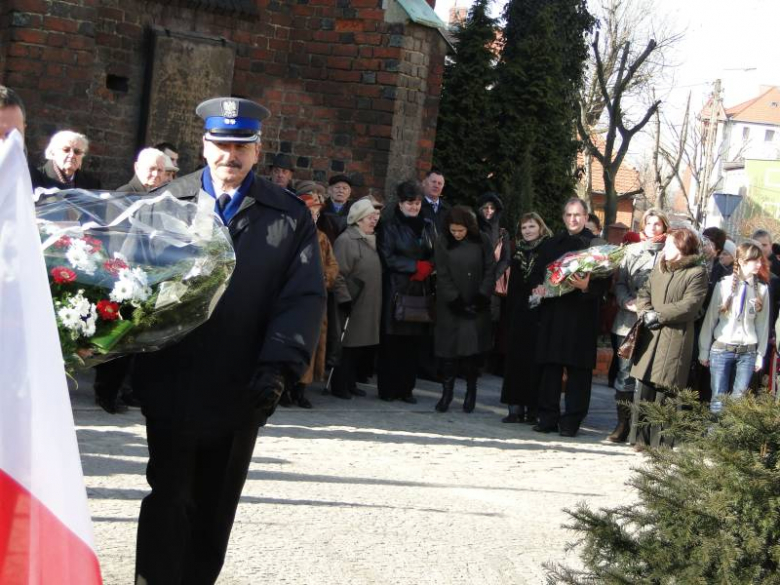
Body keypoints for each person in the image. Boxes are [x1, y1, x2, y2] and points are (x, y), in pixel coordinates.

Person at [130, 97, 325, 585]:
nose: (229, 156)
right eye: (221, 144)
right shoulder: (165, 202)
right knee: (168, 496)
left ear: (258, 150)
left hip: (240, 386)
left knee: (215, 509)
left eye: (241, 146)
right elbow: (130, 282)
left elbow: (300, 297)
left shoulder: (288, 215)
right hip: (172, 379)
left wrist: (278, 369)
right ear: (204, 145)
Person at [530, 197, 607, 437]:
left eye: (578, 215)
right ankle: (547, 417)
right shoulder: (551, 244)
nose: (573, 219)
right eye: (568, 215)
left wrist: (587, 285)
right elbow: (536, 274)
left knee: (579, 371)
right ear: (563, 217)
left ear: (586, 217)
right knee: (550, 368)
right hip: (553, 314)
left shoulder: (596, 245)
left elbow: (606, 282)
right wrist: (538, 289)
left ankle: (571, 421)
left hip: (581, 317)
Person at [628, 228, 708, 448]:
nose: (665, 248)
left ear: (682, 246)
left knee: (666, 390)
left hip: (674, 338)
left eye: (670, 244)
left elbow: (690, 305)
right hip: (650, 335)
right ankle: (640, 439)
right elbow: (644, 292)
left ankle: (661, 442)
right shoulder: (659, 268)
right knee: (644, 388)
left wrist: (659, 315)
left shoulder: (697, 273)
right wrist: (645, 313)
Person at [607, 208, 669, 443]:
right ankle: (622, 424)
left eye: (657, 224)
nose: (653, 228)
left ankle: (641, 427)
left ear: (664, 226)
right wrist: (626, 301)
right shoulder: (631, 251)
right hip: (628, 322)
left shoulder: (670, 252)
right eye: (649, 223)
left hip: (655, 323)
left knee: (648, 376)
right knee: (625, 375)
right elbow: (619, 283)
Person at [376, 180, 436, 403]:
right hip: (397, 289)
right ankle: (388, 388)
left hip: (420, 290)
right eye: (410, 203)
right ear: (400, 203)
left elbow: (435, 251)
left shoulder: (428, 225)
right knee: (393, 342)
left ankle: (406, 388)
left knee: (413, 344)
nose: (414, 207)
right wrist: (414, 267)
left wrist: (428, 267)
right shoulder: (390, 225)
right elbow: (387, 256)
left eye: (418, 203)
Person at [433, 206, 495, 413]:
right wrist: (455, 301)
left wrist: (482, 296)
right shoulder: (442, 241)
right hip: (451, 305)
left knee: (472, 353)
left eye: (461, 230)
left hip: (476, 303)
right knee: (448, 352)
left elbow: (490, 269)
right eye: (454, 231)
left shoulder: (482, 240)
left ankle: (471, 391)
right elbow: (441, 273)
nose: (457, 234)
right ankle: (447, 393)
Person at [285, 189, 342, 408]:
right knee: (293, 341)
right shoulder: (291, 236)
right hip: (294, 298)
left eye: (317, 214)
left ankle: (302, 388)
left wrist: (323, 279)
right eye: (311, 213)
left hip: (316, 298)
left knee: (312, 342)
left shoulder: (322, 239)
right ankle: (287, 387)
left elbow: (333, 264)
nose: (314, 217)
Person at [699, 242, 769, 414]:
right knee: (718, 399)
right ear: (743, 261)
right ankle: (714, 437)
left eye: (760, 260)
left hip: (748, 351)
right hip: (722, 348)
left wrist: (760, 354)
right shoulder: (723, 285)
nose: (759, 265)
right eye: (755, 261)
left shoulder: (762, 289)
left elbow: (762, 324)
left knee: (738, 402)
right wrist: (704, 349)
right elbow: (710, 320)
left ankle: (732, 440)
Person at [501, 212, 552, 423]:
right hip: (518, 311)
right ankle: (514, 408)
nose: (528, 231)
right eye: (524, 228)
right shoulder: (518, 251)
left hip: (539, 312)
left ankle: (533, 409)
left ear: (540, 227)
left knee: (534, 361)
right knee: (516, 360)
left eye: (531, 226)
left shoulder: (548, 249)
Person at [331, 199, 383, 399]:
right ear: (359, 219)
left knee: (359, 345)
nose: (374, 221)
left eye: (375, 217)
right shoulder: (347, 240)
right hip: (353, 301)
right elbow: (338, 272)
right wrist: (344, 297)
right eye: (370, 218)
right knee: (347, 345)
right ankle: (339, 384)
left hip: (368, 302)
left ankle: (350, 381)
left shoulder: (370, 238)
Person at [30, 130, 101, 190]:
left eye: (77, 152)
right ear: (53, 153)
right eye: (66, 150)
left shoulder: (92, 184)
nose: (72, 155)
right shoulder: (34, 178)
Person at [319, 173, 353, 241]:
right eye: (337, 187)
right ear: (329, 190)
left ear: (349, 192)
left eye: (345, 188)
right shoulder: (321, 207)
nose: (341, 191)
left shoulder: (354, 209)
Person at [419, 168, 450, 238]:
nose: (436, 186)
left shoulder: (448, 209)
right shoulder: (415, 206)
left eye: (440, 183)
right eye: (433, 182)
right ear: (424, 183)